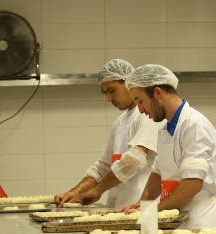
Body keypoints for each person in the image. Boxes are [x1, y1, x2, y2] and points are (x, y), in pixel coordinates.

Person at [102, 64, 216, 230]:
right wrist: (141, 205)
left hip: (201, 223)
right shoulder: (163, 129)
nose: (140, 109)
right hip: (176, 220)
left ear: (158, 93)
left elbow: (192, 183)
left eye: (140, 101)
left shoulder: (194, 125)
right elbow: (157, 173)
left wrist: (152, 210)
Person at [55, 59, 159, 209]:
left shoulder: (147, 115)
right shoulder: (120, 122)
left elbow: (134, 161)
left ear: (128, 82)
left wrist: (98, 190)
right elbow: (103, 167)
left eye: (112, 91)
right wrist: (75, 193)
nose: (109, 98)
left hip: (139, 207)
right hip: (118, 206)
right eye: (106, 93)